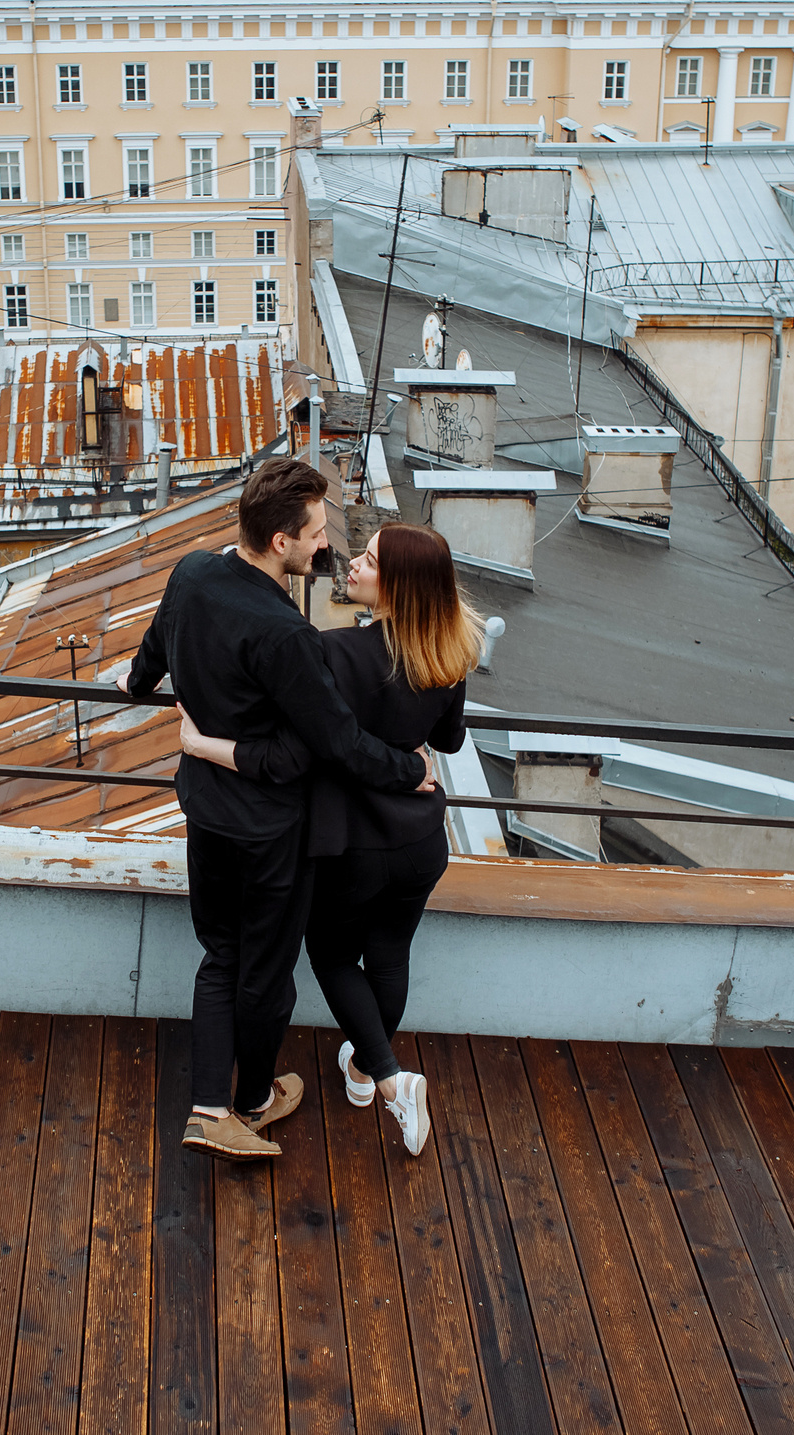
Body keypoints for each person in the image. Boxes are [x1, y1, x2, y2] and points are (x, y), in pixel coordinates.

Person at [120, 460, 434, 1161]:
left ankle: (211, 1105)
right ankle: (251, 1100)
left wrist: (138, 686)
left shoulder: (193, 571)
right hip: (268, 832)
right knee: (265, 973)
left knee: (220, 954)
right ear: (280, 540)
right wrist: (409, 768)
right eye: (316, 533)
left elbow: (152, 655)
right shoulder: (286, 633)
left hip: (205, 809)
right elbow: (330, 746)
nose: (326, 546)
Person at [178, 522, 480, 1156]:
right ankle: (364, 1074)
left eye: (368, 561)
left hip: (354, 842)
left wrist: (203, 741)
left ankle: (393, 1079)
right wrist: (409, 745)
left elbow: (307, 746)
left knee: (332, 955)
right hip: (422, 840)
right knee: (391, 953)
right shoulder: (450, 651)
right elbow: (448, 742)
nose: (352, 564)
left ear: (395, 585)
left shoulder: (335, 653)